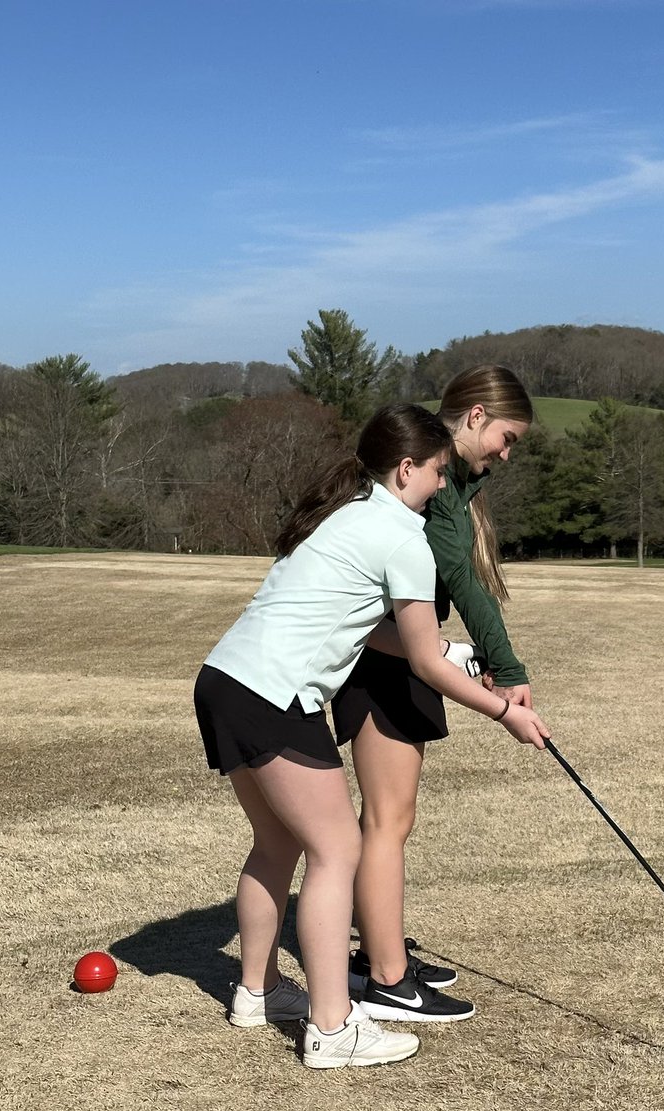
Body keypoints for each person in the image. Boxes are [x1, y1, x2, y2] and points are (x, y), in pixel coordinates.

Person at [193, 402, 549, 1071]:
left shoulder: (350, 513)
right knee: (337, 850)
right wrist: (505, 712)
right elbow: (422, 665)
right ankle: (332, 1028)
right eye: (437, 473)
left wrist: (451, 649)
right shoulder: (403, 537)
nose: (445, 487)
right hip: (272, 695)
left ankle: (258, 991)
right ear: (407, 467)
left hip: (224, 681)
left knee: (275, 845)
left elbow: (382, 634)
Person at [332, 365, 536, 1023]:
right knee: (387, 820)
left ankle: (381, 953)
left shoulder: (451, 483)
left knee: (393, 817)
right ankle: (388, 979)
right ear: (475, 417)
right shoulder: (436, 489)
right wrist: (505, 672)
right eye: (505, 438)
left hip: (405, 651)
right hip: (384, 660)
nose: (506, 455)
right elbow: (464, 582)